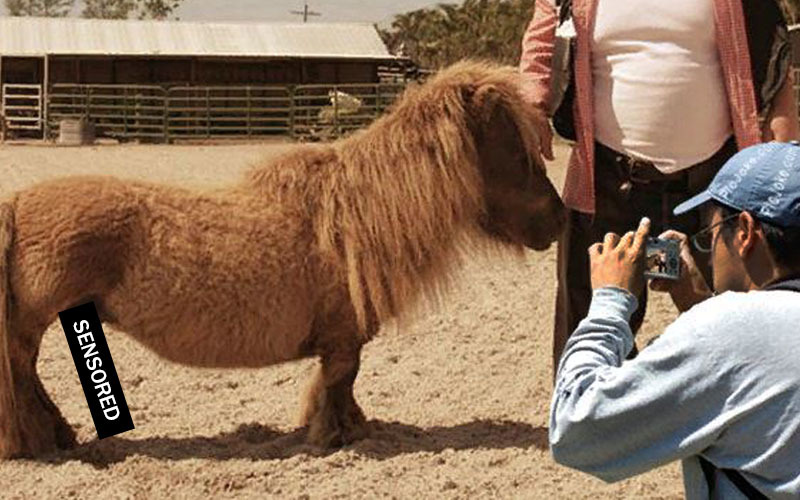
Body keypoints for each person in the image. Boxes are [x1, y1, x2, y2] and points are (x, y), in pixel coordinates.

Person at [519, 0, 800, 372]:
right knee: (594, 319)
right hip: (609, 187)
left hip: (712, 193)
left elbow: (772, 51)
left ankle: (737, 422)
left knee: (734, 316)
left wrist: (783, 144)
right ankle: (592, 425)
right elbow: (540, 46)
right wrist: (532, 108)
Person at [549, 141, 800, 498]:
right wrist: (697, 304)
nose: (710, 252)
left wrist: (610, 300)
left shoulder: (728, 330)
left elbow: (575, 429)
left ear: (745, 232)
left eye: (710, 234)